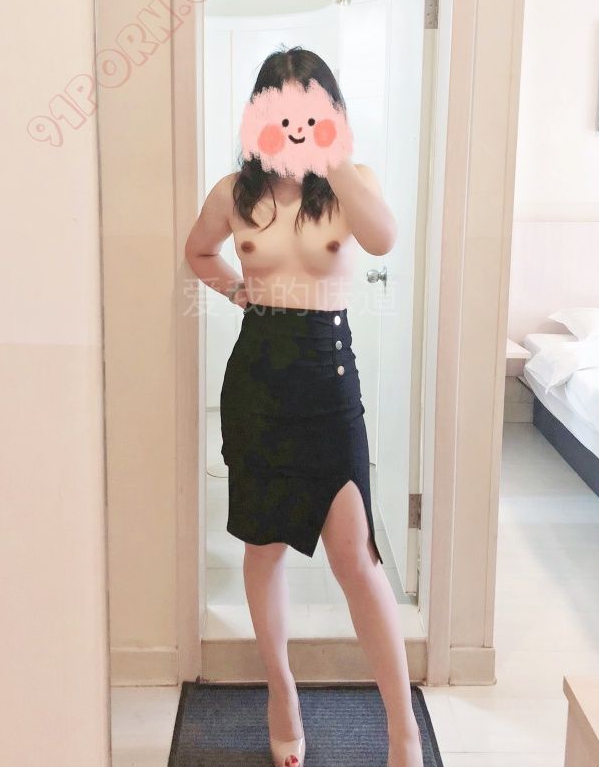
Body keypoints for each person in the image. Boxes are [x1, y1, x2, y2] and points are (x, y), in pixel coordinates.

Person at [184, 46, 424, 767]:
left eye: (311, 105)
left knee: (356, 557)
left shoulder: (350, 184)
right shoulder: (236, 192)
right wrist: (237, 290)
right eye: (281, 104)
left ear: (331, 111)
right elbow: (198, 252)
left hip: (328, 380)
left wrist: (333, 153)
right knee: (263, 547)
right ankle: (281, 693)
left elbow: (383, 238)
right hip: (257, 380)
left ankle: (403, 731)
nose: (296, 120)